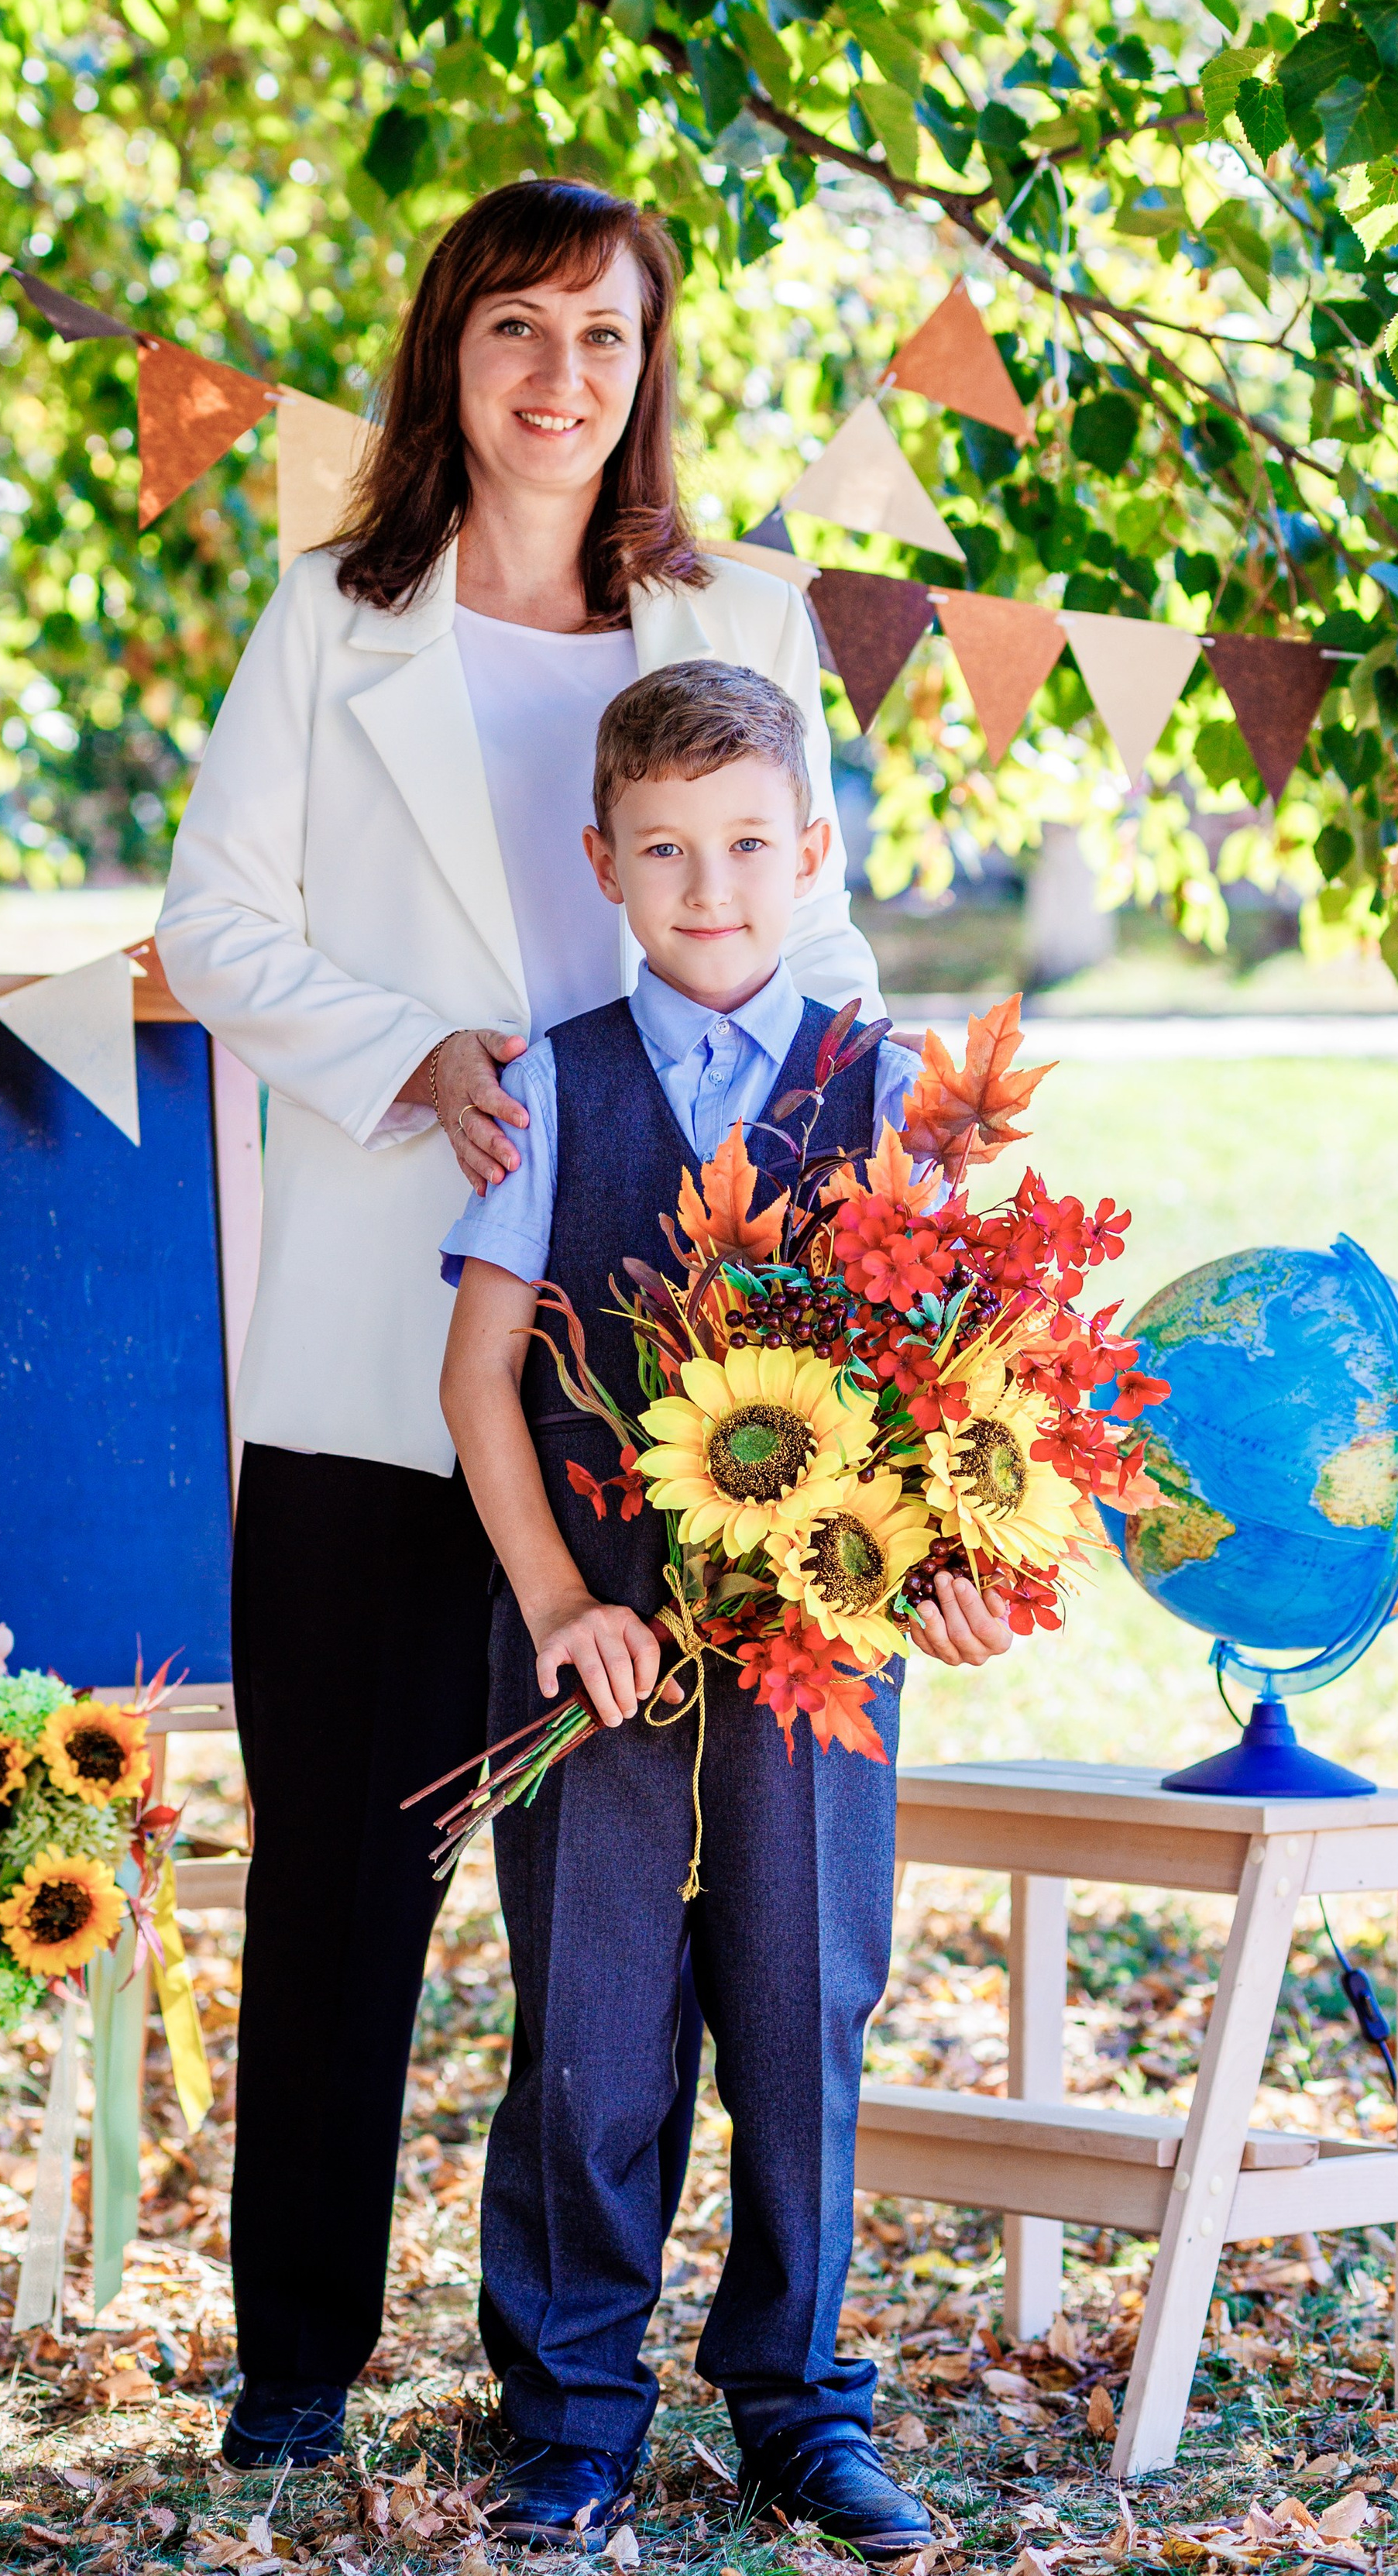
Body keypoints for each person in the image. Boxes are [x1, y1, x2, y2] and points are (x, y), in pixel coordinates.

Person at [156, 177, 888, 2470]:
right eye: (514, 331)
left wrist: (866, 1280)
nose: (562, 375)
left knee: (702, 1922)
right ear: (444, 359)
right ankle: (299, 2373)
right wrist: (419, 1054)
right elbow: (214, 925)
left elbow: (824, 954)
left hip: (693, 1391)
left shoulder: (738, 603)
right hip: (398, 1333)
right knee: (347, 1883)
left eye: (605, 332)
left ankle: (679, 2370)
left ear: (650, 360)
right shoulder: (331, 619)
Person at [439, 662, 1015, 2556]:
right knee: (593, 2022)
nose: (709, 887)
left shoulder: (893, 1094)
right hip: (591, 1646)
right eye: (666, 851)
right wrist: (549, 1605)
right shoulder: (548, 1081)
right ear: (602, 862)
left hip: (812, 1654)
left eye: (748, 845)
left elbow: (955, 1374)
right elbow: (476, 1379)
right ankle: (571, 2414)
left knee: (799, 2006)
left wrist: (936, 1573)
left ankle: (792, 2400)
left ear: (815, 852)